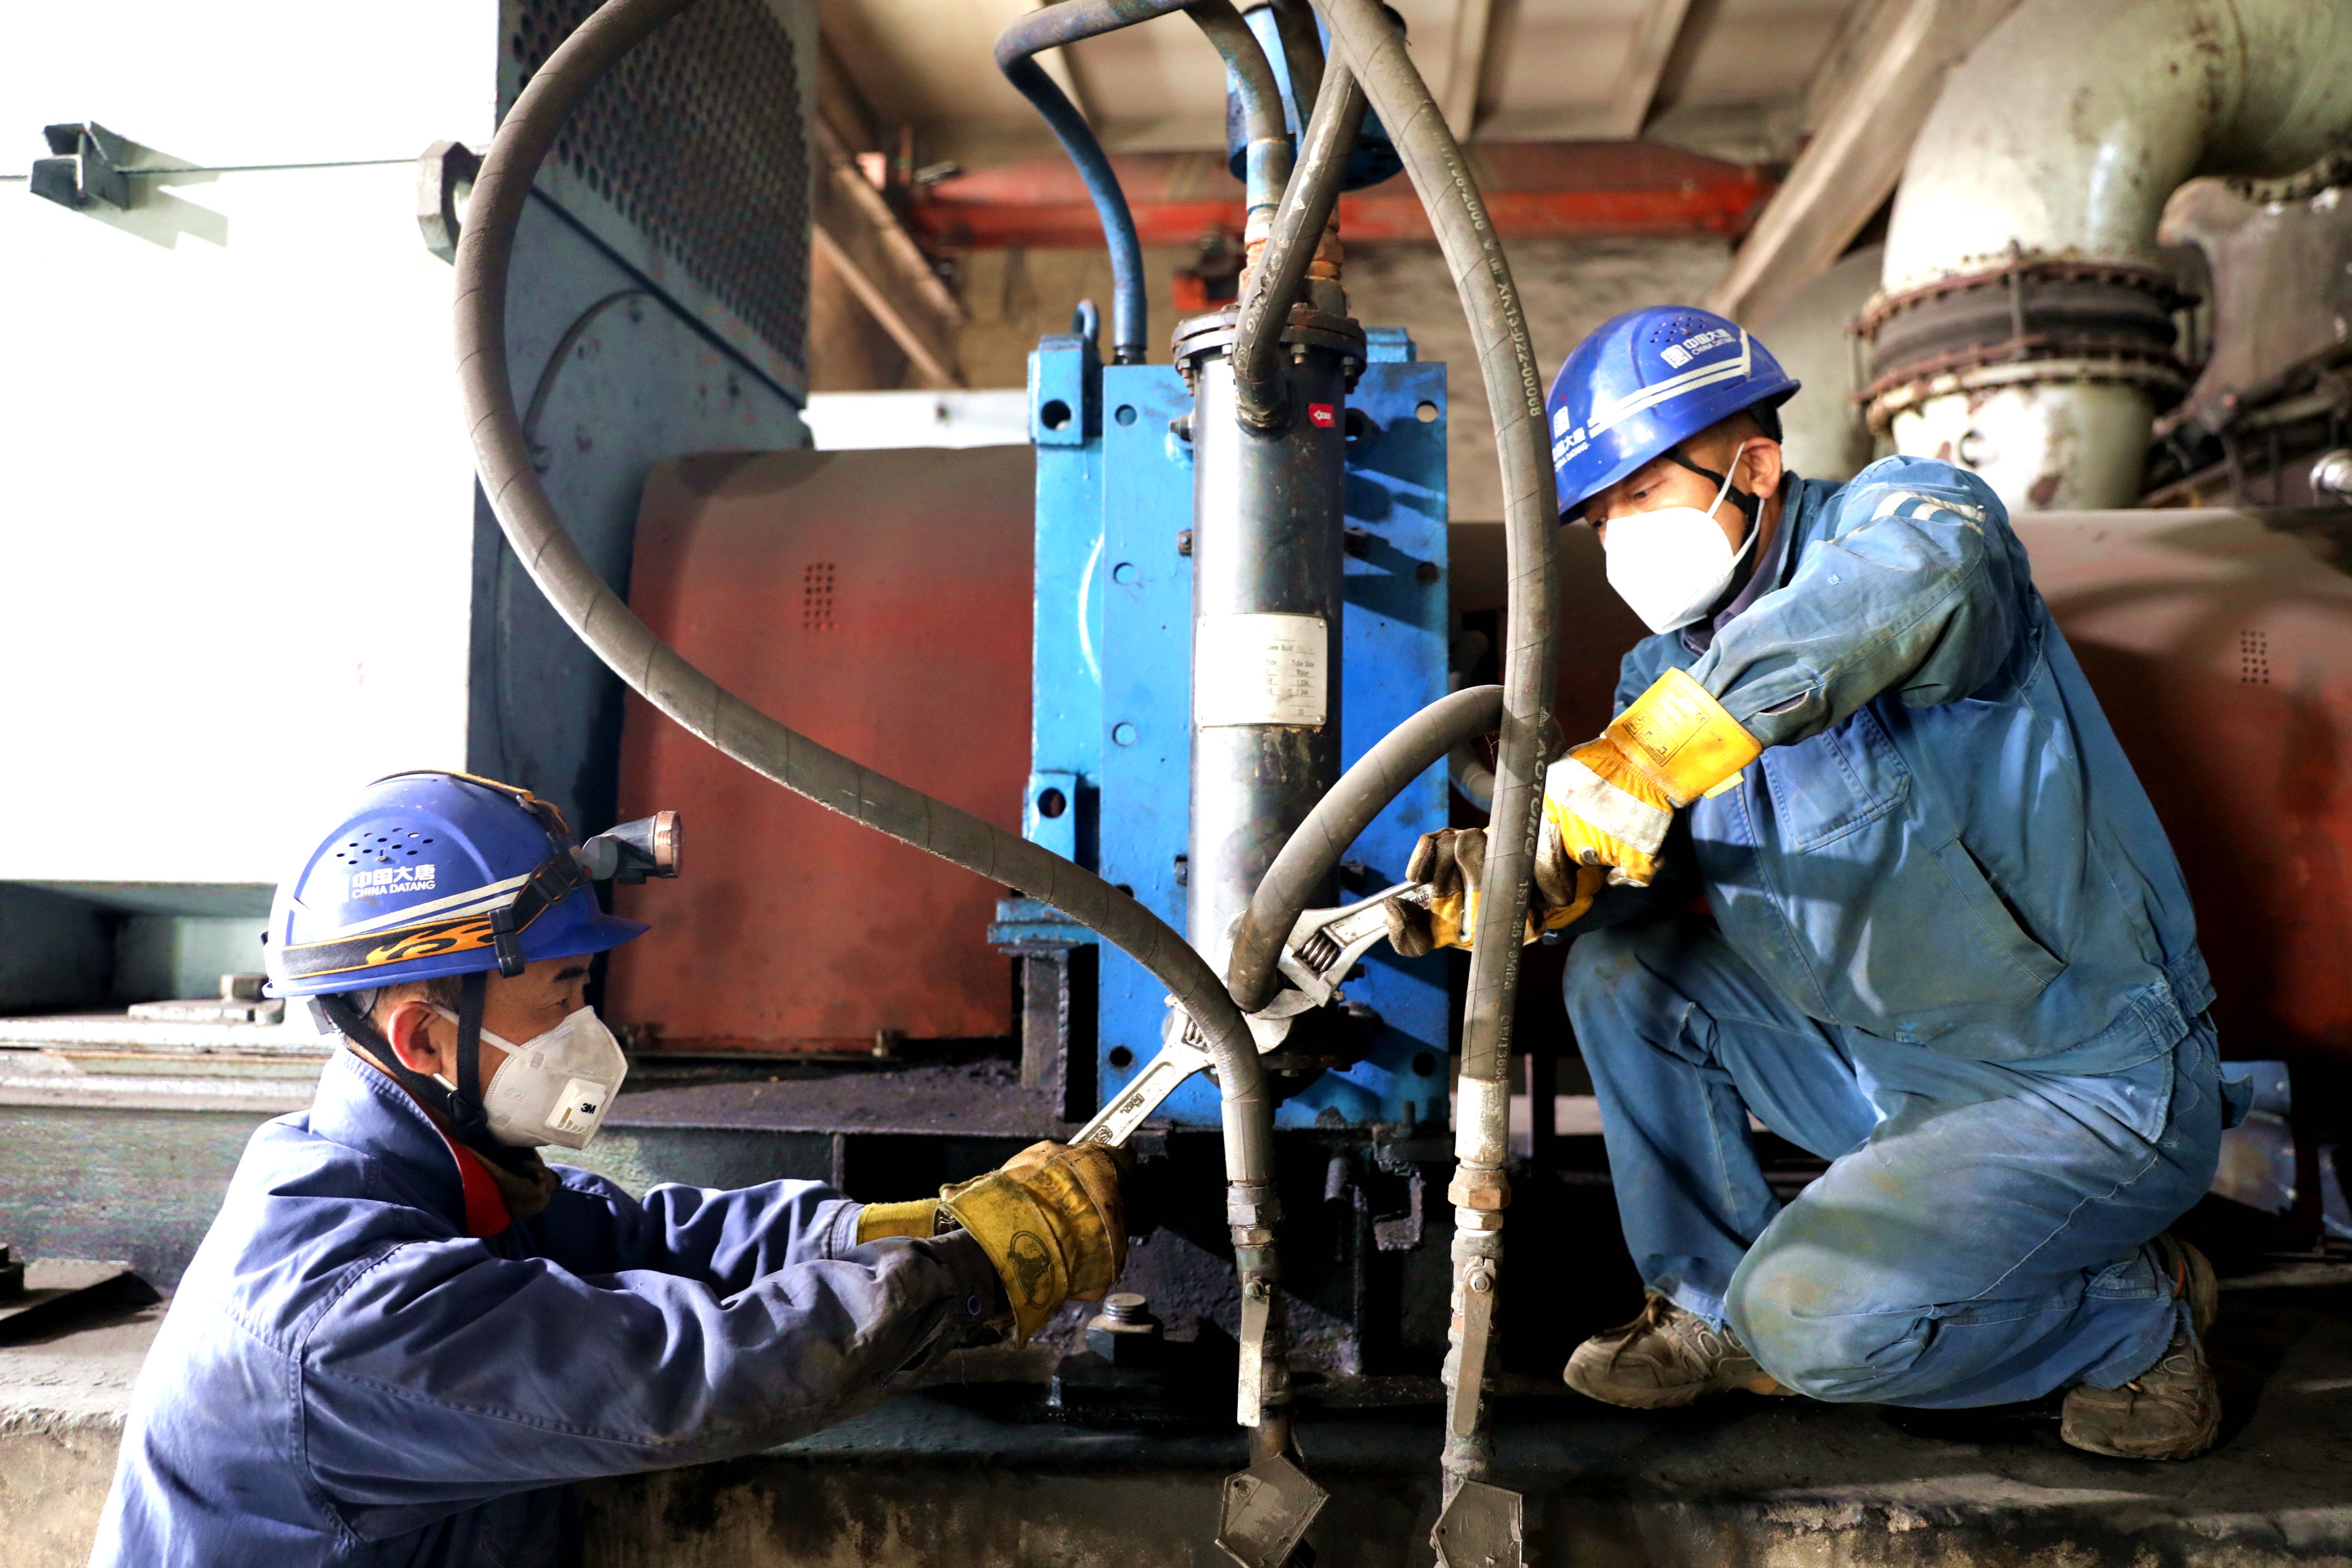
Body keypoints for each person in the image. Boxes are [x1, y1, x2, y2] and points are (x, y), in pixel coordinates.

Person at [1391, 306, 2244, 1461]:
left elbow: (1901, 588)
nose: (1619, 536)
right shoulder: (1665, 667)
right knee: (1626, 969)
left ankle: (2136, 1312)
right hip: (1885, 1071)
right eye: (1601, 517)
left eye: (1642, 494)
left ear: (1755, 466)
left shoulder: (1916, 521)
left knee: (1810, 1327)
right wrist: (1539, 886)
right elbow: (1649, 871)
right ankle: (1705, 1303)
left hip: (2083, 1080)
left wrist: (1657, 750)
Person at [90, 770, 1126, 1565]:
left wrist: (886, 1230)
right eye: (563, 993)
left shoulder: (436, 1180)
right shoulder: (346, 1306)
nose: (589, 1029)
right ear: (422, 1037)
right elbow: (682, 1375)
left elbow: (655, 1241)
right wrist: (970, 1275)